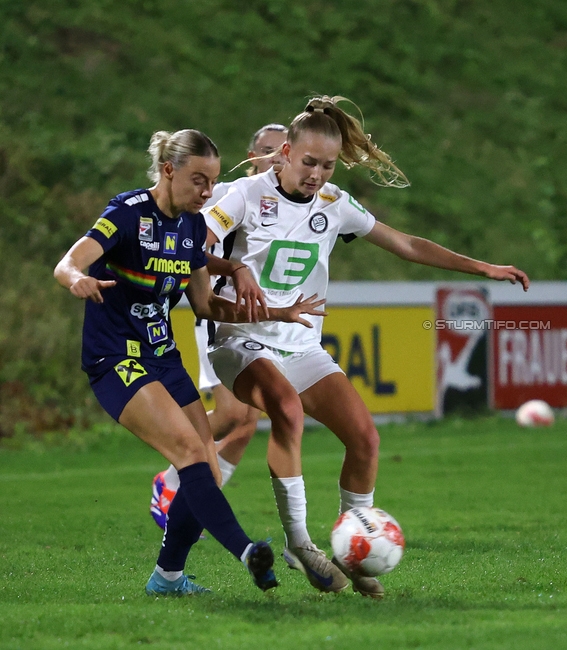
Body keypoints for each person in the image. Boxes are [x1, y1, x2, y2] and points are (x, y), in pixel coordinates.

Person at [202, 96, 530, 598]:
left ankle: (355, 549)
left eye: (327, 165)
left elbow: (406, 244)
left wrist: (483, 267)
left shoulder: (334, 204)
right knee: (286, 410)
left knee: (365, 439)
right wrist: (234, 269)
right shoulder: (245, 195)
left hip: (301, 341)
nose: (316, 173)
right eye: (308, 161)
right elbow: (195, 243)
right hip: (240, 337)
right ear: (285, 152)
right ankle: (301, 543)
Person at [54, 128, 324, 596]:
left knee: (209, 471)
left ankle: (168, 578)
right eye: (198, 180)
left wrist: (278, 311)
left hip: (163, 354)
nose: (207, 192)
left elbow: (206, 308)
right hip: (115, 356)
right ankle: (247, 552)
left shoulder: (192, 227)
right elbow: (69, 262)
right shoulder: (126, 212)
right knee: (191, 453)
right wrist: (77, 278)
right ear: (168, 170)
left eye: (213, 182)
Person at [150, 124, 288, 529]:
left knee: (246, 422)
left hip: (253, 320)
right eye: (266, 149)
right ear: (250, 154)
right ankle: (172, 481)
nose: (274, 158)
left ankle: (194, 504)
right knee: (230, 416)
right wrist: (216, 277)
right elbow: (196, 242)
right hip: (220, 315)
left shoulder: (284, 200)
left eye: (282, 151)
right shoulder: (230, 194)